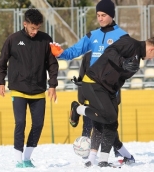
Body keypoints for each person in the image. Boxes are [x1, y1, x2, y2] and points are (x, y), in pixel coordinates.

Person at [50, 0, 129, 163]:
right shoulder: (92, 35)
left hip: (112, 87)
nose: (100, 19)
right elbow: (74, 51)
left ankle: (98, 157)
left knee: (105, 123)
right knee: (109, 122)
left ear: (111, 15)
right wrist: (60, 53)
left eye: (103, 15)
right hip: (95, 86)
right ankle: (105, 159)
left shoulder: (122, 36)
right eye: (98, 15)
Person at [69, 35, 154, 167]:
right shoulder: (130, 43)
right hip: (94, 82)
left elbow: (120, 78)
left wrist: (113, 95)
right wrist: (122, 62)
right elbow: (110, 51)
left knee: (112, 122)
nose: (152, 59)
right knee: (109, 116)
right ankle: (77, 109)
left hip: (109, 90)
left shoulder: (137, 61)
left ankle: (103, 160)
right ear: (152, 49)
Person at [0, 9, 58, 168]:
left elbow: (52, 64)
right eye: (32, 28)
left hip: (38, 91)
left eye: (38, 28)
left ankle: (27, 158)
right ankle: (18, 159)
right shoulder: (13, 39)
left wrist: (52, 85)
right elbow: (1, 62)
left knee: (38, 125)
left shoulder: (45, 40)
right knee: (21, 123)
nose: (35, 31)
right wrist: (0, 82)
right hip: (18, 89)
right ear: (25, 24)